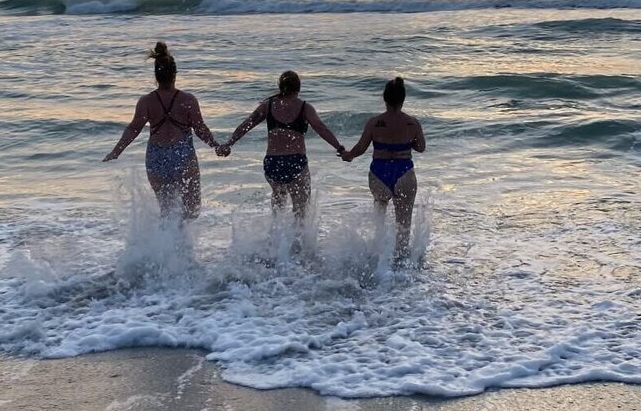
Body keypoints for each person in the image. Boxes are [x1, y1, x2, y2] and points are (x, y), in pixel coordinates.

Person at [103, 41, 228, 218]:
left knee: (167, 210)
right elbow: (200, 129)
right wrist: (216, 146)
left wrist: (116, 152)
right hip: (182, 154)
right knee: (191, 210)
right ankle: (183, 244)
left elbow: (133, 129)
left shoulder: (146, 101)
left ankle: (165, 243)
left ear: (156, 76)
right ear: (175, 74)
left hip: (156, 156)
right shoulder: (188, 100)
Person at [226, 70, 345, 220]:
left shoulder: (268, 105)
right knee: (300, 212)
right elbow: (321, 129)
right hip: (296, 162)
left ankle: (276, 240)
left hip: (273, 163)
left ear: (280, 86)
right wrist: (340, 148)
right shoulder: (304, 107)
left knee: (278, 206)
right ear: (298, 88)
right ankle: (297, 243)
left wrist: (228, 144)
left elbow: (246, 125)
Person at [342, 76, 425, 261]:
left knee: (379, 212)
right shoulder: (412, 123)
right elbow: (421, 148)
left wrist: (348, 156)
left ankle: (378, 255)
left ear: (385, 99)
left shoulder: (374, 122)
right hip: (404, 171)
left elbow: (361, 148)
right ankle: (400, 263)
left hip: (379, 173)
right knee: (403, 223)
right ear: (403, 99)